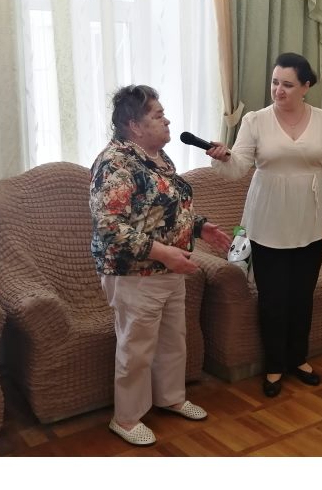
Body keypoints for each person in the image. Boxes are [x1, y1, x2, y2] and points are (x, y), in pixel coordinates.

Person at [90, 84, 231, 446]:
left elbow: (166, 210)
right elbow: (110, 226)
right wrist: (162, 252)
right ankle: (126, 418)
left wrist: (201, 227)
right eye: (157, 115)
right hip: (134, 271)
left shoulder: (157, 157)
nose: (167, 120)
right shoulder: (115, 163)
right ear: (134, 125)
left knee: (172, 338)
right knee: (136, 347)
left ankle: (170, 397)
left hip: (169, 267)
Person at [206, 52, 322, 398]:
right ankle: (274, 365)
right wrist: (224, 157)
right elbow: (238, 167)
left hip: (310, 222)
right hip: (266, 222)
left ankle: (298, 359)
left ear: (305, 87)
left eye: (287, 84)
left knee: (302, 296)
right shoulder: (256, 121)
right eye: (274, 82)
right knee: (272, 298)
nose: (278, 90)